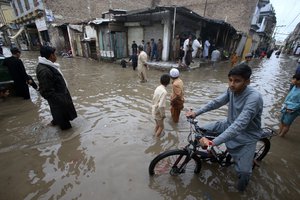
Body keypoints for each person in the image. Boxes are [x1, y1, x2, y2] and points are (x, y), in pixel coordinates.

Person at [186, 64, 264, 192]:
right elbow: (216, 102)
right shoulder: (231, 90)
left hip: (246, 135)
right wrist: (196, 113)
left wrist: (212, 142)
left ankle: (240, 191)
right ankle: (208, 155)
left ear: (247, 81)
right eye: (230, 80)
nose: (232, 84)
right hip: (228, 124)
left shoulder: (254, 98)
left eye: (237, 81)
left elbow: (239, 125)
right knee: (200, 132)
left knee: (244, 173)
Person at [36, 45, 77, 130]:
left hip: (60, 97)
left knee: (62, 117)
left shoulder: (48, 66)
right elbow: (47, 91)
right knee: (66, 126)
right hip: (59, 101)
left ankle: (55, 121)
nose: (56, 56)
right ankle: (67, 140)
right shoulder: (45, 71)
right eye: (55, 54)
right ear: (51, 55)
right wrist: (61, 101)